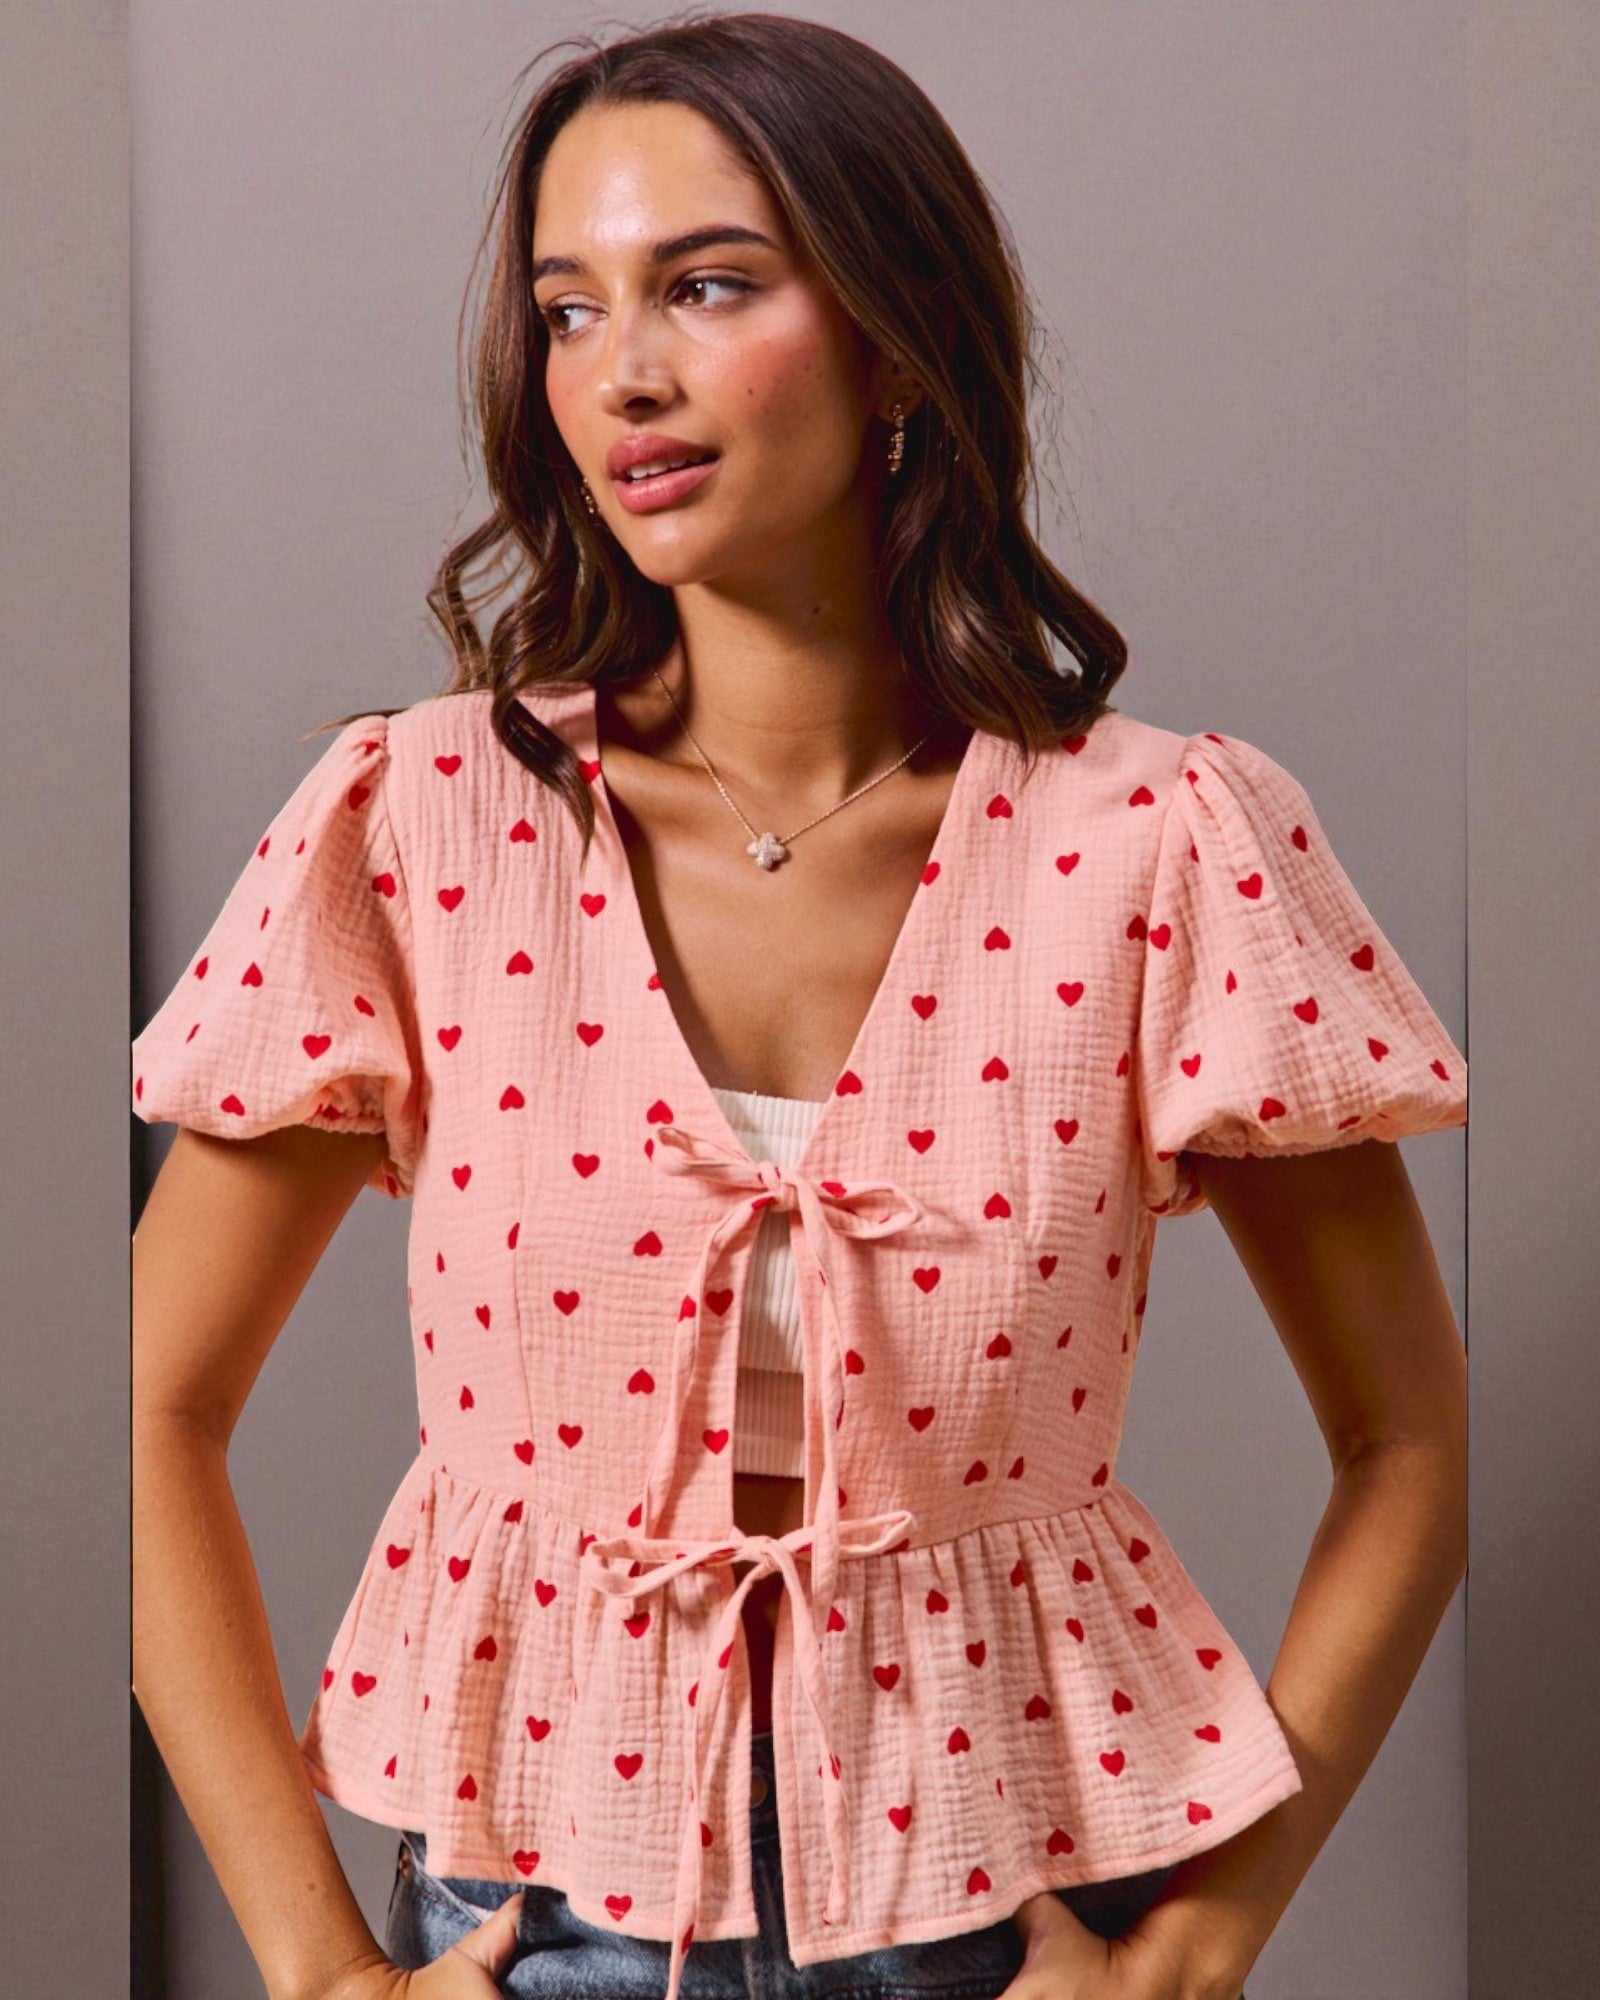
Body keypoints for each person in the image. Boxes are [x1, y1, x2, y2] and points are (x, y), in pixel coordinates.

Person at [130, 15, 1469, 2000]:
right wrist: (319, 1971)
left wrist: (1193, 1951)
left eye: (706, 285)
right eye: (569, 311)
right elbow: (144, 1403)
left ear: (896, 339)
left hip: (999, 1924)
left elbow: (1404, 1440)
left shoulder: (1162, 845)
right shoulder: (420, 820)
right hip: (542, 1927)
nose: (625, 375)